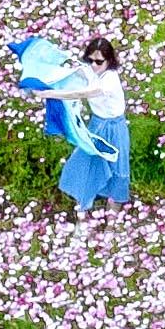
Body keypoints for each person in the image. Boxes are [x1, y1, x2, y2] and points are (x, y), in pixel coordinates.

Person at [57, 38, 133, 207]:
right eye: (90, 60)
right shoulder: (91, 71)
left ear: (109, 61)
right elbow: (74, 75)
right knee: (86, 165)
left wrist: (52, 94)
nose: (93, 65)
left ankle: (112, 223)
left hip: (114, 127)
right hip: (96, 124)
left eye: (99, 62)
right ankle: (82, 215)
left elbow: (87, 92)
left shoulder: (110, 79)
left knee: (117, 170)